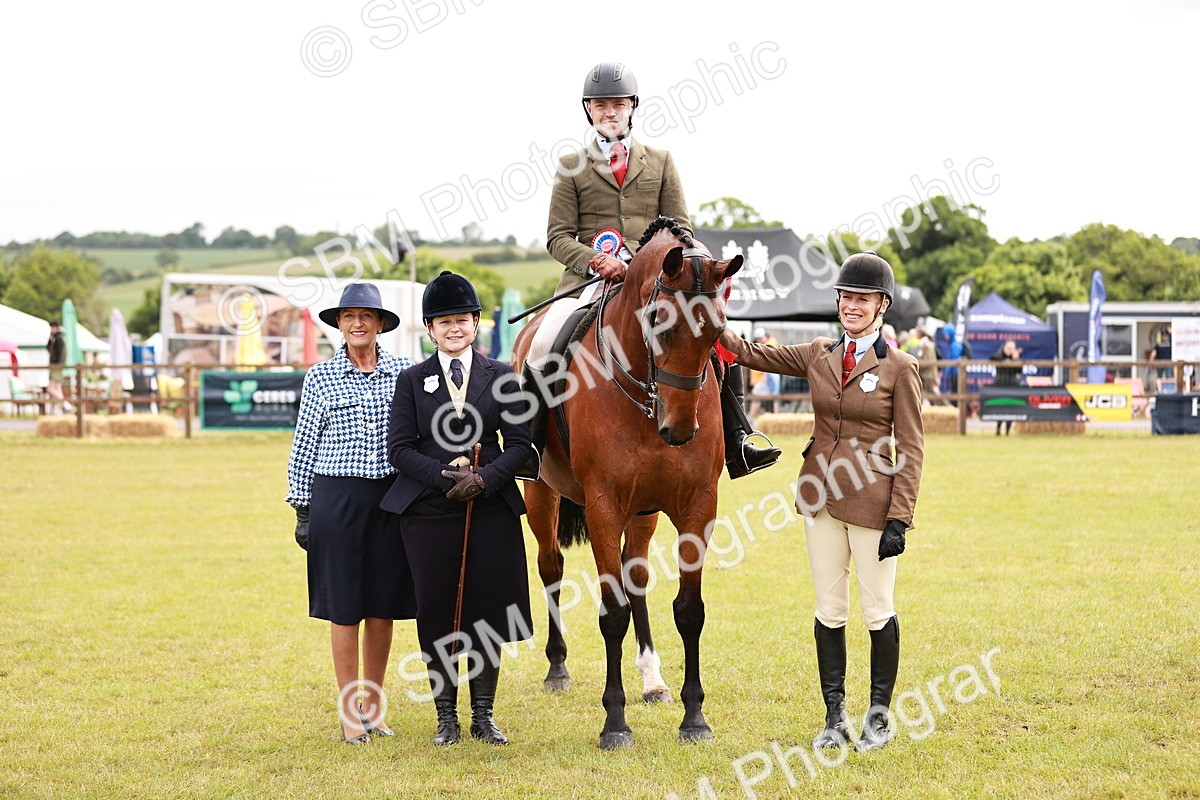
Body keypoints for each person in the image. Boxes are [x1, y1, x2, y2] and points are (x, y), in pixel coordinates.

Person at [526, 60, 780, 480]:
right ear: (588, 110)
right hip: (591, 283)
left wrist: (664, 267)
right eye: (601, 105)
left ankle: (738, 438)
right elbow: (557, 237)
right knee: (542, 343)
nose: (610, 112)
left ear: (632, 107)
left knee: (714, 338)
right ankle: (531, 446)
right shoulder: (571, 165)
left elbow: (682, 230)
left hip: (658, 282)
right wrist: (597, 259)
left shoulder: (660, 161)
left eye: (618, 104)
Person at [718, 251, 925, 753]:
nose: (852, 306)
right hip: (820, 501)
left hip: (873, 504)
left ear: (882, 305)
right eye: (846, 297)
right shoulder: (818, 354)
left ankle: (879, 718)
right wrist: (707, 314)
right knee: (829, 610)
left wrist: (900, 517)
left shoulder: (900, 368)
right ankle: (834, 717)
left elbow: (912, 447)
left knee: (877, 611)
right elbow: (751, 354)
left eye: (862, 299)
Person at [383, 271, 534, 747]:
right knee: (438, 611)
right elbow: (399, 449)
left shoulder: (503, 376)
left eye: (462, 320)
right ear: (430, 329)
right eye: (444, 321)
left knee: (487, 610)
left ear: (475, 322)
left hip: (490, 507)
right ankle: (445, 717)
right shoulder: (411, 380)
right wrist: (446, 476)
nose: (454, 328)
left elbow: (522, 444)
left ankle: (483, 715)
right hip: (428, 510)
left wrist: (484, 479)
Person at [285, 283, 418, 745]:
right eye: (348, 316)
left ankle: (373, 708)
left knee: (382, 608)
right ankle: (348, 713)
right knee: (344, 608)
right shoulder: (320, 377)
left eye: (366, 316)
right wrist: (302, 509)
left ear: (380, 323)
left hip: (390, 499)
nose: (357, 323)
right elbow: (304, 444)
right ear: (339, 325)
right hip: (336, 498)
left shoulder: (404, 372)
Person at [990, 339, 1023, 435]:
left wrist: (1015, 359)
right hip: (1000, 384)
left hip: (1012, 385)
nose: (1010, 350)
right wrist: (1005, 361)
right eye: (1008, 348)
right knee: (1000, 407)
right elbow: (992, 357)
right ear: (1004, 348)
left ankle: (1008, 431)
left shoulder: (1015, 358)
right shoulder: (999, 356)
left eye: (1012, 348)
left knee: (1010, 408)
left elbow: (1019, 370)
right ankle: (998, 428)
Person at [747, 327, 780, 419]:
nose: (759, 341)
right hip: (763, 378)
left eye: (761, 338)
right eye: (758, 339)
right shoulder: (761, 347)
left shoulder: (769, 346)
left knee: (757, 397)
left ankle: (751, 417)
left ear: (765, 336)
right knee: (772, 398)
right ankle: (775, 417)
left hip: (765, 377)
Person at [914, 327, 946, 406]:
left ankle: (946, 407)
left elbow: (928, 361)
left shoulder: (927, 345)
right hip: (925, 374)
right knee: (922, 393)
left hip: (929, 374)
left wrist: (916, 362)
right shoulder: (924, 344)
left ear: (920, 334)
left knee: (934, 393)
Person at [46, 319, 66, 413]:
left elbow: (56, 353)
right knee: (57, 388)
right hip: (58, 366)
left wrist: (55, 364)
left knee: (51, 389)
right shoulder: (58, 338)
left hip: (56, 366)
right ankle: (60, 409)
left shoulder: (58, 339)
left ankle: (64, 403)